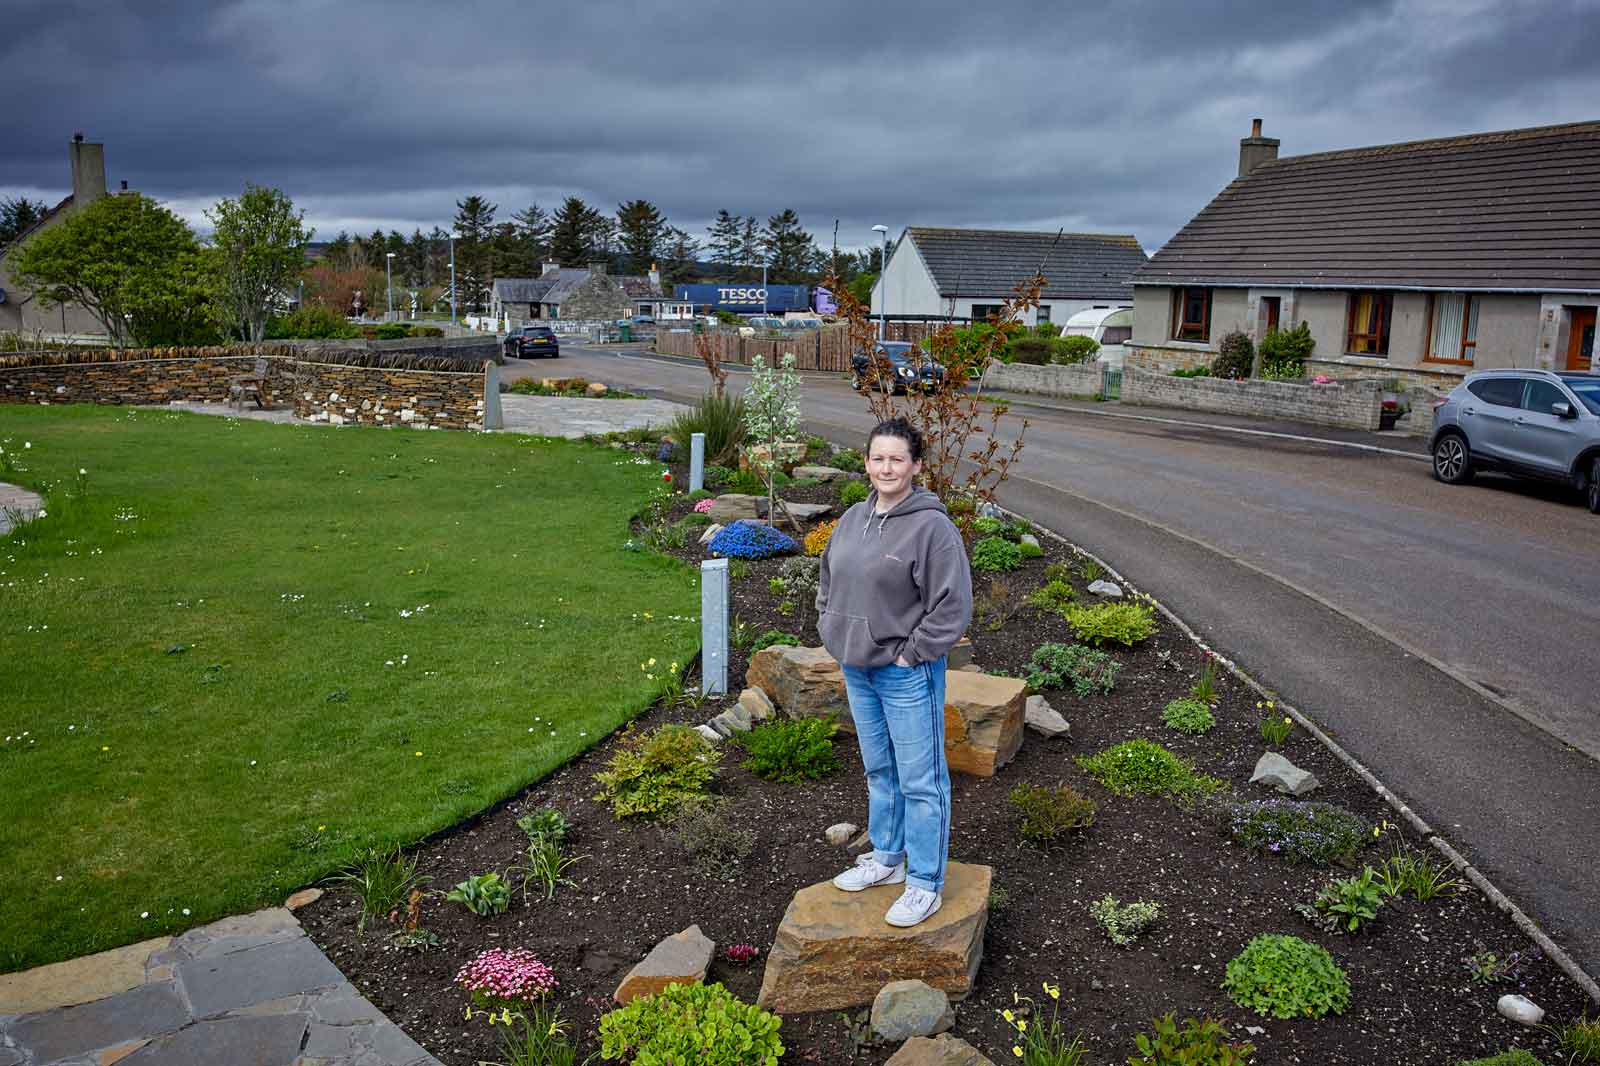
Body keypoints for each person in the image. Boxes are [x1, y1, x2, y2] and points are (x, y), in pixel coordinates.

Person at [814, 417, 973, 927]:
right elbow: (828, 578)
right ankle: (887, 857)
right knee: (880, 771)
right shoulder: (852, 519)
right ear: (866, 463)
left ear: (916, 466)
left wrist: (911, 654)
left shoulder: (932, 528)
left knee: (922, 781)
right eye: (878, 458)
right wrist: (832, 629)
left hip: (906, 674)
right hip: (857, 669)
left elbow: (951, 606)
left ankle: (925, 881)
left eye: (897, 459)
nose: (886, 467)